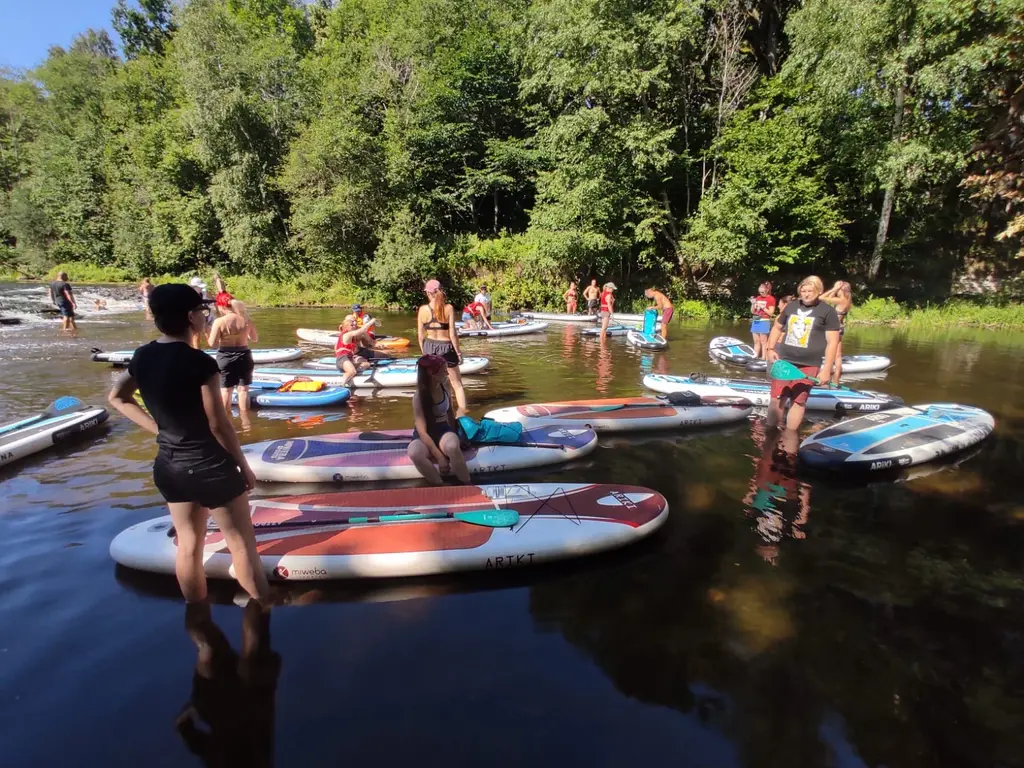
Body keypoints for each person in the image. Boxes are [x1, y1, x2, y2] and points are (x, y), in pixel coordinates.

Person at [106, 283, 270, 605]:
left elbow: (117, 398)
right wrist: (244, 466)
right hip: (210, 465)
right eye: (201, 311)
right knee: (241, 545)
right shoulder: (200, 363)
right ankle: (262, 616)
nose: (204, 316)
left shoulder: (142, 356)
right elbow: (218, 424)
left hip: (169, 464)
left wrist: (157, 429)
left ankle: (200, 629)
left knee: (189, 544)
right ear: (191, 317)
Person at [764, 276, 841, 431]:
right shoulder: (791, 306)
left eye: (810, 291)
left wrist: (826, 369)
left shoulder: (828, 312)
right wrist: (770, 349)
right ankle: (770, 434)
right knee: (777, 398)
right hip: (784, 360)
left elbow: (832, 342)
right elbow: (777, 327)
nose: (806, 294)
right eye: (803, 291)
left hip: (810, 363)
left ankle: (790, 436)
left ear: (818, 291)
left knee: (799, 401)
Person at [407, 354, 471, 485]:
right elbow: (422, 432)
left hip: (443, 429)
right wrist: (440, 457)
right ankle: (440, 485)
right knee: (414, 453)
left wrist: (457, 434)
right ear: (432, 373)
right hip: (424, 435)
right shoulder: (418, 397)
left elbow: (449, 411)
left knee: (452, 446)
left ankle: (467, 484)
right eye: (444, 370)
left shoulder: (445, 384)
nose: (447, 373)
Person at [416, 280, 467, 416]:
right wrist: (458, 353)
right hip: (446, 347)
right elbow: (452, 334)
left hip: (429, 346)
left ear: (428, 292)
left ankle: (437, 414)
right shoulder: (448, 308)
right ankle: (462, 415)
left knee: (434, 384)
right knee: (457, 385)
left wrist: (424, 353)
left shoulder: (422, 310)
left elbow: (420, 336)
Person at [208, 291, 258, 418]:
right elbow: (254, 339)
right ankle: (246, 422)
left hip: (225, 356)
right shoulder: (246, 320)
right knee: (243, 390)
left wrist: (207, 332)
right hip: (244, 356)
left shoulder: (219, 322)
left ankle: (227, 421)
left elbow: (212, 344)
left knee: (226, 390)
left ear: (221, 306)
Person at [820, 280, 853, 380]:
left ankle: (827, 374)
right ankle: (836, 380)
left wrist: (834, 289)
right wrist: (835, 290)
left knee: (829, 352)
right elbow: (829, 300)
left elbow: (821, 298)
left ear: (841, 289)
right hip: (840, 328)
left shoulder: (841, 300)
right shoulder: (846, 301)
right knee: (837, 355)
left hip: (833, 329)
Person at [334, 316, 375, 387]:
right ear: (346, 327)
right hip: (342, 359)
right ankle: (341, 385)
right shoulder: (346, 334)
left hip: (349, 359)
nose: (354, 326)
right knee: (352, 372)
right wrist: (371, 322)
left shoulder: (352, 337)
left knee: (366, 364)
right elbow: (361, 330)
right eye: (351, 325)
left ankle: (355, 372)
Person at [749, 282, 777, 359]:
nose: (761, 293)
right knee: (756, 341)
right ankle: (755, 356)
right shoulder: (758, 298)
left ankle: (764, 357)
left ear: (767, 290)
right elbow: (753, 311)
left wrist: (763, 307)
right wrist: (753, 304)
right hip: (756, 319)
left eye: (762, 292)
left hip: (764, 320)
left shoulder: (771, 299)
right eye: (759, 292)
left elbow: (771, 313)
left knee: (763, 341)